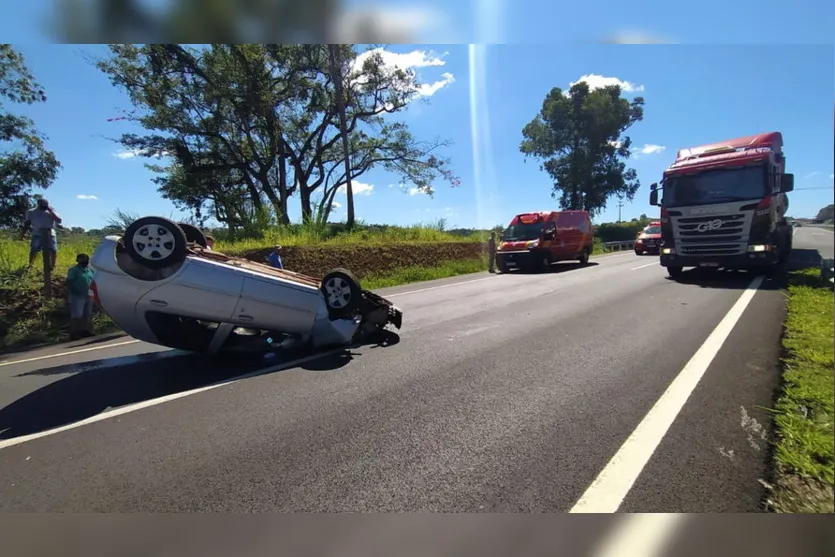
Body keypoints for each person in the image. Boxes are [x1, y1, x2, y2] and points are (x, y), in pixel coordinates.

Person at [23, 198, 62, 271]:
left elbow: (59, 220)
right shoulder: (31, 212)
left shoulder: (52, 211)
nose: (45, 205)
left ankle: (52, 266)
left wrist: (50, 211)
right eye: (43, 204)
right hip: (37, 233)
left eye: (47, 204)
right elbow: (27, 223)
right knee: (34, 249)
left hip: (50, 233)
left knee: (53, 250)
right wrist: (24, 233)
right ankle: (30, 265)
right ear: (39, 204)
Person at [66, 253, 95, 340]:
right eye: (82, 259)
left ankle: (84, 330)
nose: (84, 261)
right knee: (77, 314)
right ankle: (74, 332)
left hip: (89, 295)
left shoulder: (90, 270)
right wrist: (75, 291)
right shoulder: (74, 270)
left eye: (85, 259)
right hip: (77, 296)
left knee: (87, 313)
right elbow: (69, 282)